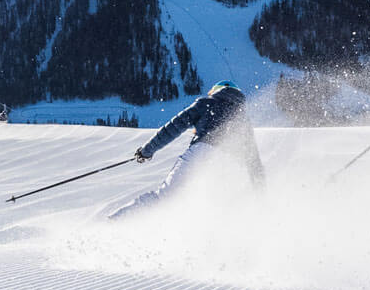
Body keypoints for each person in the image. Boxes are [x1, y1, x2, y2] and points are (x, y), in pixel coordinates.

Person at [105, 80, 267, 219]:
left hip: (203, 153)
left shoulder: (207, 103)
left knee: (165, 198)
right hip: (225, 165)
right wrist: (262, 197)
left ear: (217, 91)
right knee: (209, 210)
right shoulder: (242, 119)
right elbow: (254, 161)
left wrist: (146, 151)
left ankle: (116, 221)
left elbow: (173, 128)